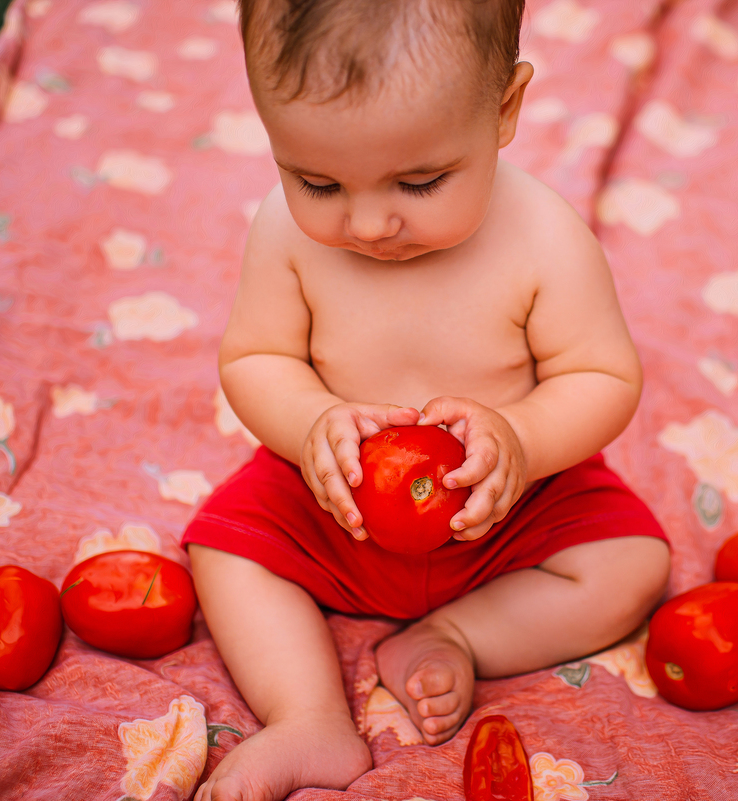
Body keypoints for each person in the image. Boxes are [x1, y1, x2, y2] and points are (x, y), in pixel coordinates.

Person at [183, 1, 670, 798]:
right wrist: (313, 423)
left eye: (419, 180)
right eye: (317, 180)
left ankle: (458, 632)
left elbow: (603, 377)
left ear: (504, 110)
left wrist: (522, 438)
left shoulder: (545, 237)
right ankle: (308, 715)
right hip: (332, 499)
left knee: (633, 564)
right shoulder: (285, 233)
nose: (371, 222)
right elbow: (256, 356)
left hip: (508, 507)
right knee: (225, 549)